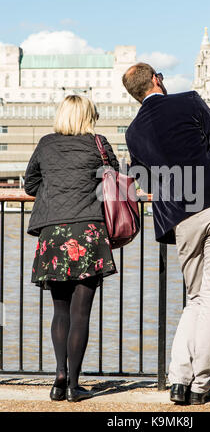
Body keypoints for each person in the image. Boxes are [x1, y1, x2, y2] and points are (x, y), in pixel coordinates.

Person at [122, 63, 210, 405]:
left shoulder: (133, 132)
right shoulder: (189, 101)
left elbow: (143, 180)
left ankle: (178, 381)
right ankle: (200, 385)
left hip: (181, 217)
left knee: (195, 298)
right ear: (156, 80)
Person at [24, 95, 119, 402]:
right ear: (88, 116)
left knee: (60, 311)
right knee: (81, 315)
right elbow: (114, 180)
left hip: (53, 233)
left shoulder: (46, 143)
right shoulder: (99, 143)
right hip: (89, 231)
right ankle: (75, 385)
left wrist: (55, 191)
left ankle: (58, 377)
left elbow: (29, 184)